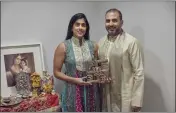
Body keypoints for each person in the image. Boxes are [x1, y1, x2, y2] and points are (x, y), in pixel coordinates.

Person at [98, 8, 144, 112]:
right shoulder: (101, 42)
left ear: (121, 22)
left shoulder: (131, 42)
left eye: (114, 20)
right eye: (108, 21)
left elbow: (139, 72)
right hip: (107, 94)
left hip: (126, 96)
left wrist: (137, 100)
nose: (111, 24)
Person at [53, 13, 100, 112]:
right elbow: (56, 72)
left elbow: (97, 68)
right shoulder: (63, 47)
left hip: (92, 90)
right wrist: (75, 80)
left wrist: (102, 76)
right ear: (71, 27)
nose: (80, 27)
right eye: (77, 24)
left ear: (87, 28)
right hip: (72, 90)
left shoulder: (94, 46)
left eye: (83, 25)